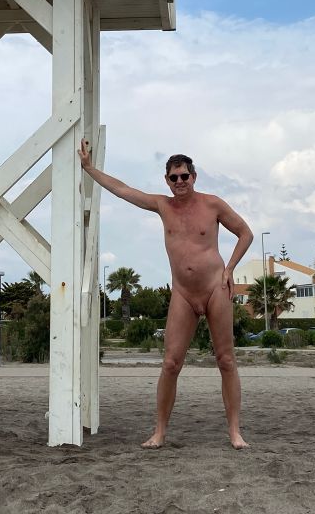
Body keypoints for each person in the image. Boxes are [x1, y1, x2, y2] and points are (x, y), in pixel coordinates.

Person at [78, 140, 253, 449]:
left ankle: (235, 431)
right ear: (167, 180)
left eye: (184, 176)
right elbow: (123, 190)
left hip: (215, 288)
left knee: (226, 360)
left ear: (194, 177)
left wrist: (230, 268)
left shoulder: (213, 204)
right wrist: (90, 168)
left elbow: (245, 233)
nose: (180, 181)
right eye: (174, 177)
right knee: (171, 363)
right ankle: (159, 432)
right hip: (183, 293)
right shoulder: (162, 205)